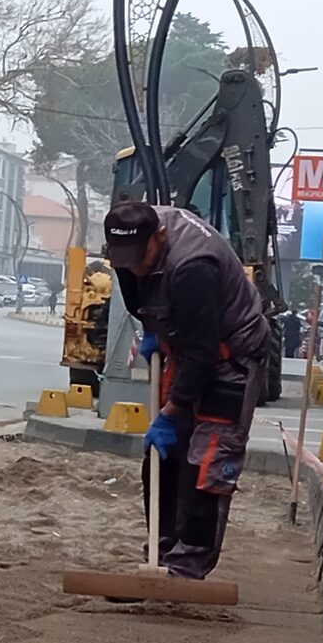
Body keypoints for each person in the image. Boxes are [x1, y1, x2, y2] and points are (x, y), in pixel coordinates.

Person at [104, 201, 269, 581]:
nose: (134, 267)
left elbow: (203, 351)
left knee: (207, 458)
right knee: (166, 454)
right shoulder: (127, 247)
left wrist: (172, 409)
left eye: (139, 257)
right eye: (122, 259)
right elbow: (137, 290)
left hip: (231, 357)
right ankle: (159, 551)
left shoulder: (195, 265)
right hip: (185, 346)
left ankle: (187, 567)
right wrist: (153, 329)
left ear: (158, 237)